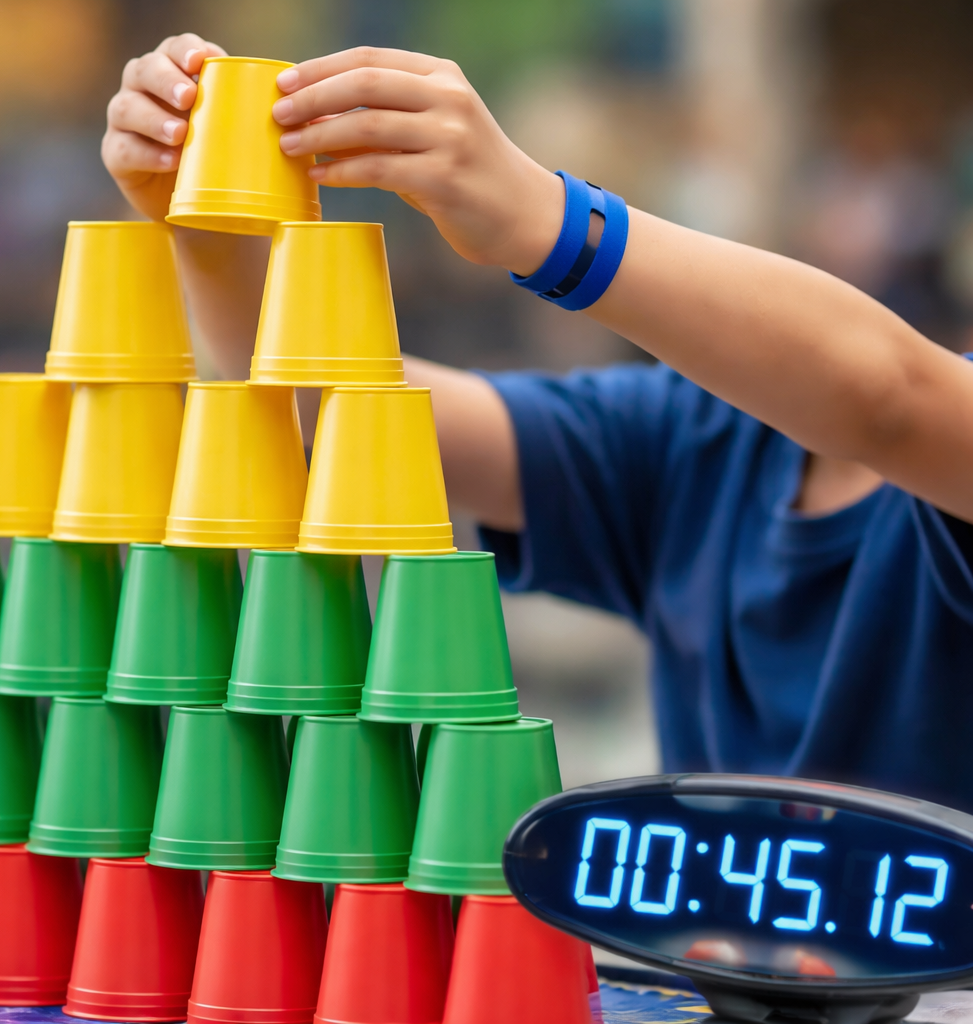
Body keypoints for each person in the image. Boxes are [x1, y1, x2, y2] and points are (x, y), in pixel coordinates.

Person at [101, 37, 973, 808]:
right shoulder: (688, 440)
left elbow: (885, 398)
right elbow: (341, 415)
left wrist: (549, 224)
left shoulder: (937, 443)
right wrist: (212, 231)